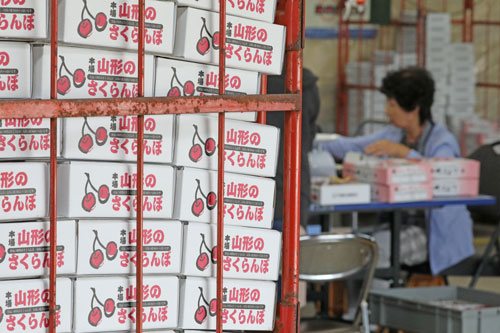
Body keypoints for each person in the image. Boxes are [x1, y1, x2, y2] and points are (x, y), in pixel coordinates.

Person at [321, 67, 474, 275]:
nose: (386, 111)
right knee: (352, 243)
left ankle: (369, 305)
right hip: (395, 223)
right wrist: (315, 141)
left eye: (392, 105)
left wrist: (404, 153)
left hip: (433, 234)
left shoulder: (442, 142)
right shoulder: (395, 133)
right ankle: (359, 304)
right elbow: (355, 146)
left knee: (375, 250)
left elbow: (442, 178)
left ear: (414, 110)